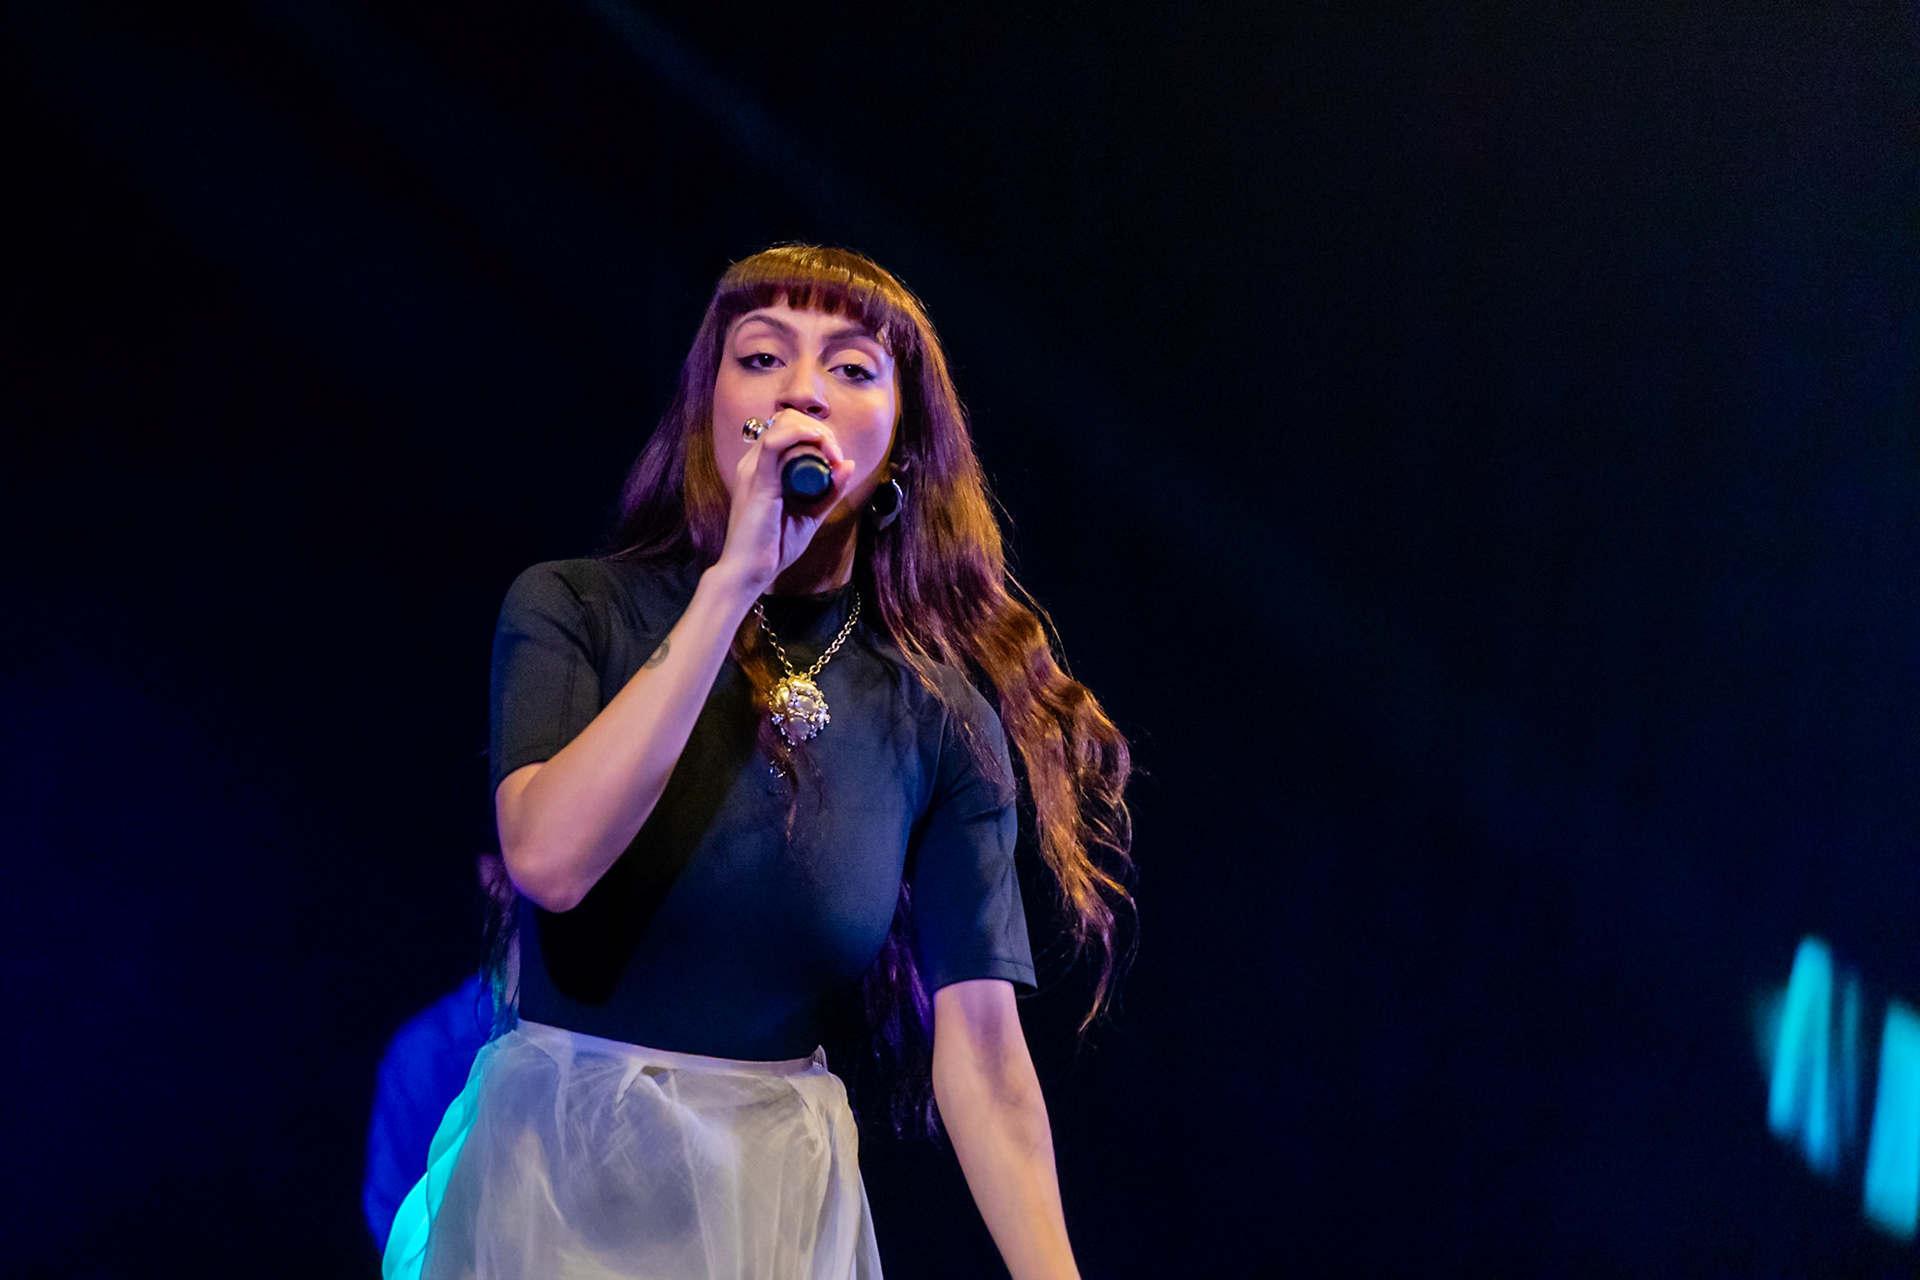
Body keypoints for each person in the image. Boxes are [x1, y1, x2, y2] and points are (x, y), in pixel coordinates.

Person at [384, 245, 1133, 1280]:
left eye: (851, 367)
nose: (801, 391)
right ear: (711, 406)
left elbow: (985, 1055)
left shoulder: (937, 716)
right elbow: (549, 859)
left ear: (901, 443)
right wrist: (734, 581)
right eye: (763, 356)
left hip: (773, 1199)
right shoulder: (577, 609)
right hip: (557, 1179)